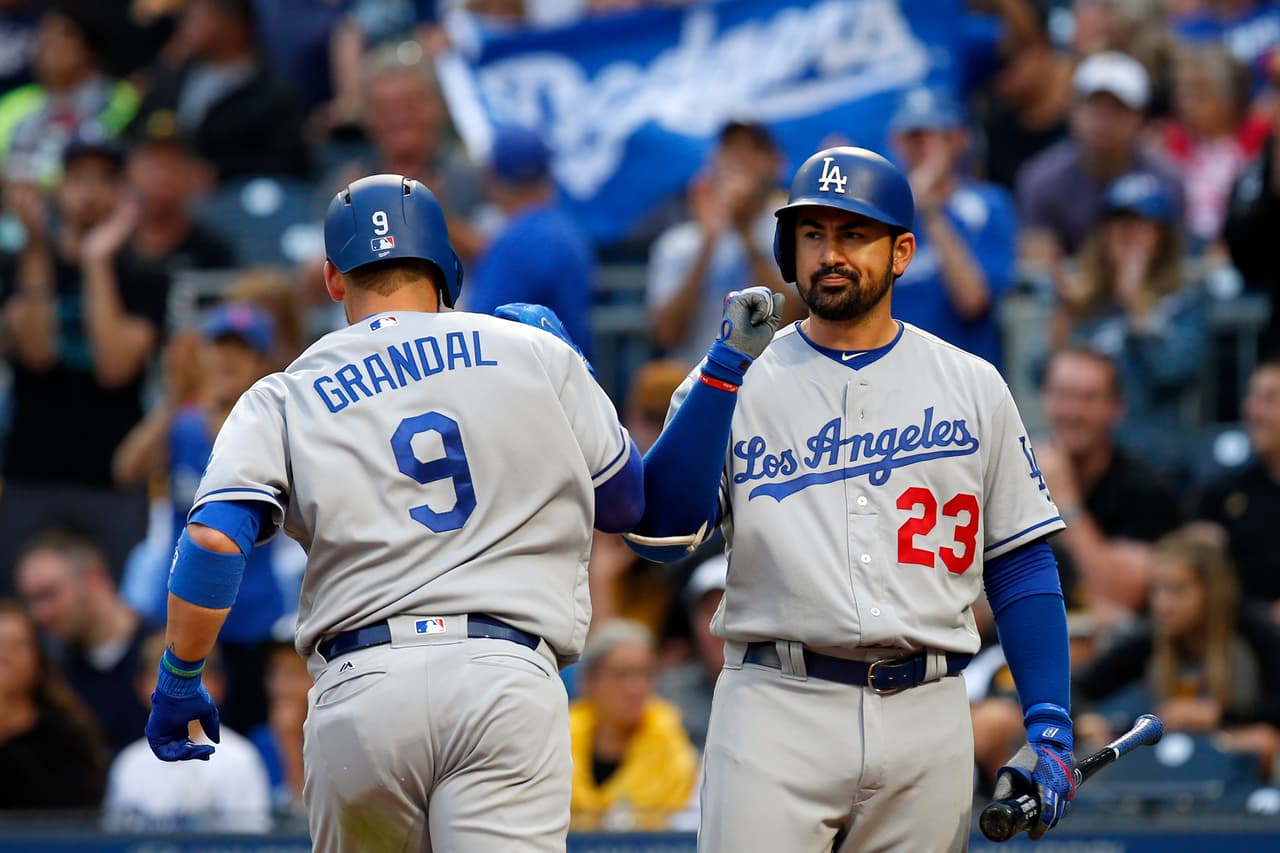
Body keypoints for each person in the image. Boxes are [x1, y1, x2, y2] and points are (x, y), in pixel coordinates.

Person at [142, 173, 645, 853]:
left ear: (333, 277)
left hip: (364, 687)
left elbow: (211, 541)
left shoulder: (286, 392)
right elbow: (627, 503)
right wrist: (574, 366)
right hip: (504, 676)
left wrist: (179, 676)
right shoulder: (531, 350)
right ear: (448, 265)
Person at [625, 146, 1075, 850]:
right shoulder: (734, 376)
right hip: (777, 704)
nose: (830, 254)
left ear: (901, 253)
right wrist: (721, 373)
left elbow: (1019, 561)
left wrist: (1049, 721)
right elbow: (660, 532)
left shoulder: (973, 383)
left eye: (853, 234)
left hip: (929, 709)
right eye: (813, 234)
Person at [113, 300, 294, 734]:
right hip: (182, 610)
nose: (227, 359)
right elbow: (126, 470)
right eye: (218, 347)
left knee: (249, 735)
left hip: (252, 616)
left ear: (261, 363)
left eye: (241, 349)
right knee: (176, 736)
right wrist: (175, 397)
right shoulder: (181, 424)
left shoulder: (274, 426)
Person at [0, 135, 169, 591]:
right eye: (78, 179)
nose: (89, 192)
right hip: (31, 473)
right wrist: (37, 248)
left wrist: (97, 261)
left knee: (119, 603)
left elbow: (115, 368)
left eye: (103, 179)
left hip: (112, 479)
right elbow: (36, 352)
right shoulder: (21, 262)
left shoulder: (145, 274)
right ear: (59, 188)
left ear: (122, 193)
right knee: (23, 608)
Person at [1040, 171, 1209, 481]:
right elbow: (1040, 373)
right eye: (1118, 225)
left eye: (1139, 227)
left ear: (1163, 237)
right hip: (1082, 458)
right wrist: (1065, 317)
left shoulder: (1185, 299)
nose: (1126, 236)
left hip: (1153, 460)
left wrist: (1137, 305)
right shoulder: (1086, 300)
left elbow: (1174, 370)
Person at [1073, 524, 1280, 774]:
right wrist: (1087, 722)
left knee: (1264, 741)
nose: (1163, 604)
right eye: (1157, 590)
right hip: (1172, 755)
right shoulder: (1153, 639)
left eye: (1177, 590)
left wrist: (1219, 716)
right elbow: (1079, 687)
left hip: (1235, 751)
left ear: (1211, 591)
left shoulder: (1253, 632)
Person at [1033, 346, 1184, 623]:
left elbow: (1120, 597)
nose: (1074, 412)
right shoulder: (1011, 473)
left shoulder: (1147, 490)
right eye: (1063, 395)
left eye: (1089, 398)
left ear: (1117, 408)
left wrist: (1065, 501)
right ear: (1044, 398)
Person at [646, 120, 801, 368]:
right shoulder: (679, 242)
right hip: (695, 376)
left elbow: (791, 321)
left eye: (753, 149)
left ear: (776, 163)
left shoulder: (795, 231)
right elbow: (666, 334)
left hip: (772, 376)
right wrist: (708, 243)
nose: (740, 160)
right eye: (731, 149)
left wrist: (745, 232)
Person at [888, 86, 1019, 371]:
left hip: (964, 375)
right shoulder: (881, 214)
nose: (924, 148)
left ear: (959, 138)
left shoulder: (988, 205)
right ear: (896, 142)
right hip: (893, 373)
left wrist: (929, 211)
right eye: (913, 137)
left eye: (935, 136)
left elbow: (972, 301)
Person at [1016, 50, 1182, 264]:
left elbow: (1174, 261)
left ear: (1139, 117)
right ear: (1073, 111)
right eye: (1094, 106)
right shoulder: (1042, 180)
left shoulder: (1167, 179)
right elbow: (1038, 266)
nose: (1104, 120)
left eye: (1117, 109)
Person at [104, 635, 272, 832]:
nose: (176, 692)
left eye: (191, 679)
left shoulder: (240, 759)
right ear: (142, 686)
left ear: (217, 685)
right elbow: (115, 840)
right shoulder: (129, 764)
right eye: (163, 680)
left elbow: (252, 841)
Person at [14, 529, 153, 756]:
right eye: (31, 600)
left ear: (93, 579)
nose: (39, 614)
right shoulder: (54, 679)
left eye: (49, 594)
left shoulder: (168, 653)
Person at [460, 125, 596, 357]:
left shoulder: (515, 243)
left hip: (530, 370)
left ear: (493, 176)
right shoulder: (568, 231)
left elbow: (482, 329)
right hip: (571, 368)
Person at [568, 619, 698, 831]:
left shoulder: (674, 748)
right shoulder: (560, 737)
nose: (636, 687)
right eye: (622, 674)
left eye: (645, 674)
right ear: (589, 681)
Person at [0, 599, 107, 811]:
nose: (5, 657)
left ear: (38, 661)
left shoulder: (67, 738)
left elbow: (78, 813)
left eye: (17, 646)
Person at [1195, 357, 1280, 620]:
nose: (1255, 412)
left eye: (1270, 399)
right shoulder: (1223, 494)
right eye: (1252, 397)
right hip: (1243, 631)